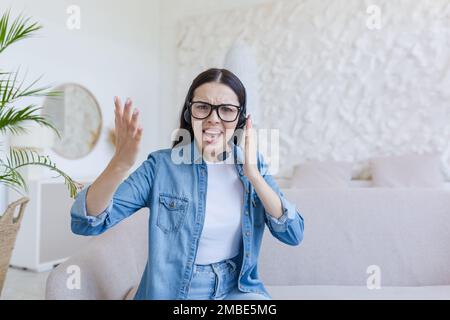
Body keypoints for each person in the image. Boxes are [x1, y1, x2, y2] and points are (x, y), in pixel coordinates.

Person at [70, 68, 304, 300]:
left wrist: (253, 175)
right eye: (202, 107)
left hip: (236, 288)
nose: (214, 118)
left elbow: (293, 234)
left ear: (241, 118)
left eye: (226, 110)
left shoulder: (255, 165)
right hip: (179, 291)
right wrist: (119, 163)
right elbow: (87, 223)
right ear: (189, 113)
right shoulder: (160, 166)